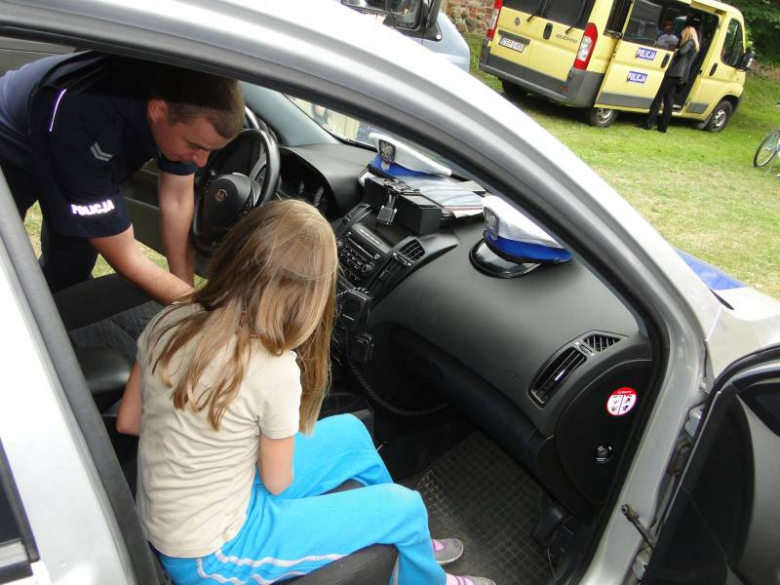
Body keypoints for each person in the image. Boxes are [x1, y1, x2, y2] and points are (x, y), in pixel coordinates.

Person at [116, 199, 494, 585]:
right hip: (210, 552)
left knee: (351, 434)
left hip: (187, 514)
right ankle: (422, 568)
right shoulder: (272, 369)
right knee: (407, 506)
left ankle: (403, 541)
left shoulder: (171, 318)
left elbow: (130, 422)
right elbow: (278, 482)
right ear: (309, 298)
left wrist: (199, 444)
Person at [0, 52, 244, 303]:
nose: (201, 161)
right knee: (6, 251)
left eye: (210, 151)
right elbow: (128, 259)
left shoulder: (181, 102)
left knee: (71, 268)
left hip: (76, 142)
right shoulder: (84, 120)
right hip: (12, 142)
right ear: (158, 110)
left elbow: (178, 198)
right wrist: (197, 311)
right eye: (195, 146)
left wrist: (184, 287)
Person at [642, 26, 699, 133]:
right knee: (669, 101)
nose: (681, 37)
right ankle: (662, 127)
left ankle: (648, 124)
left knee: (659, 98)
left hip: (674, 73)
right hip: (681, 76)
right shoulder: (695, 45)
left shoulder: (690, 42)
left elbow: (682, 52)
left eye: (683, 34)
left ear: (687, 34)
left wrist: (676, 50)